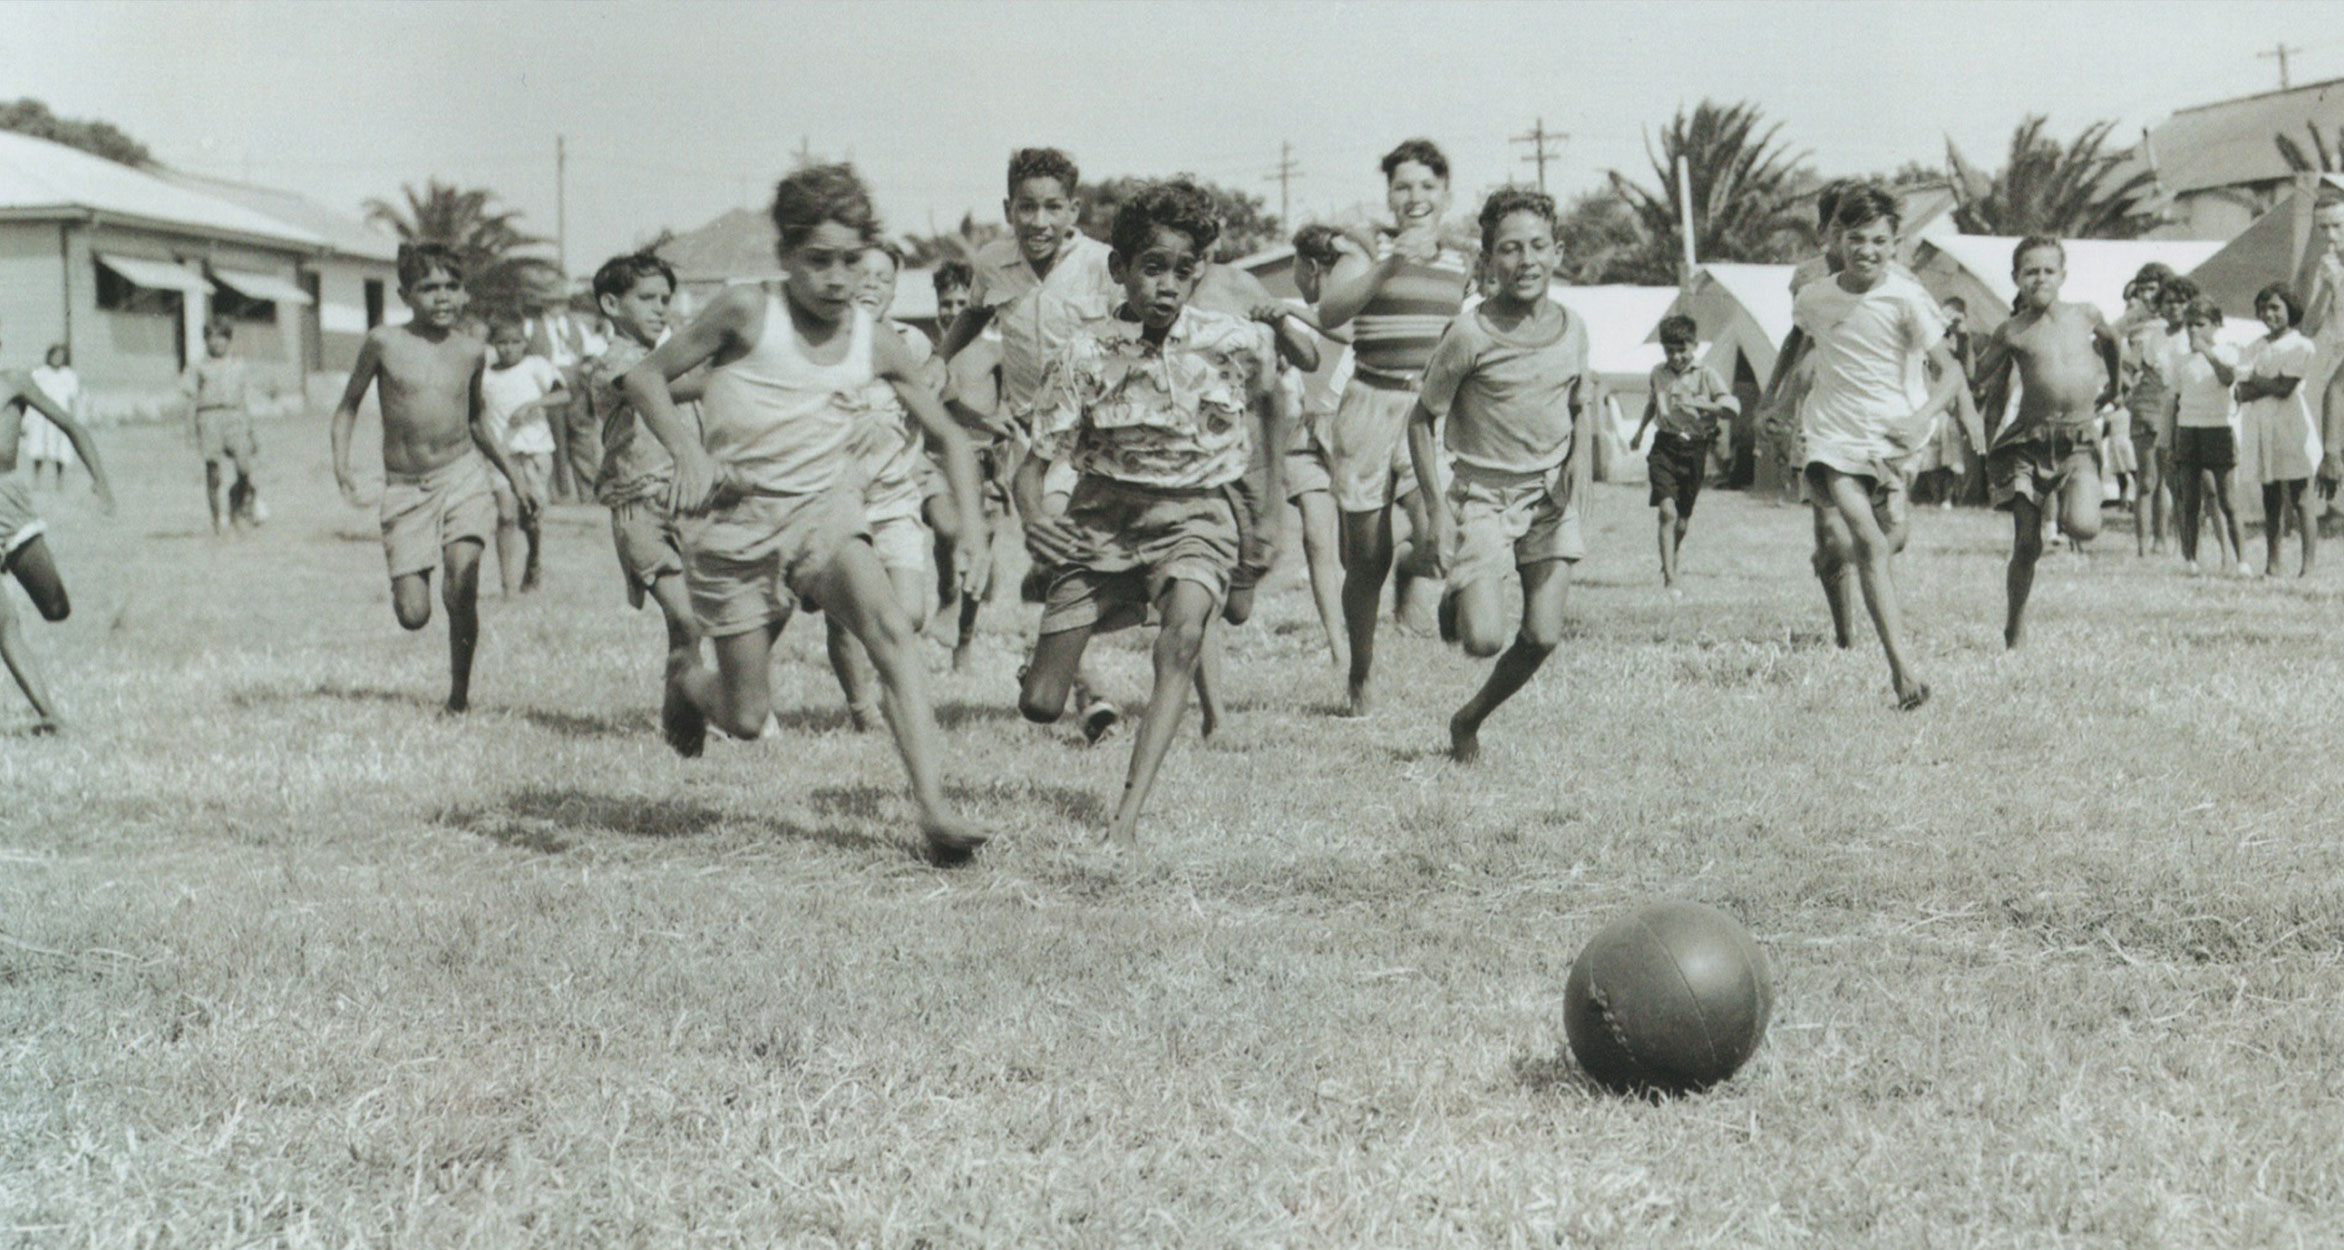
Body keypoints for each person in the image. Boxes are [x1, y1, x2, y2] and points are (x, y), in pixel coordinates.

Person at [621, 162, 987, 862]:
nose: (838, 278)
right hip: (735, 523)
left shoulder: (874, 341)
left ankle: (935, 809)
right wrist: (688, 454)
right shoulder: (746, 311)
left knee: (891, 633)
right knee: (750, 715)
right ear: (785, 255)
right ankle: (689, 685)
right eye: (817, 261)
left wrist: (970, 530)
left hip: (824, 515)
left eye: (851, 260)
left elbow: (947, 435)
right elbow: (644, 377)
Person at [1014, 179, 1276, 847]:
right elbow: (1032, 466)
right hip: (1102, 519)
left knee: (1183, 639)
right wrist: (1031, 516)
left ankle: (1125, 820)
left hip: (1196, 517)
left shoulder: (1231, 341)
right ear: (1120, 269)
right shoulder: (1082, 354)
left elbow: (1276, 405)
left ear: (1200, 274)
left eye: (1183, 271)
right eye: (1152, 268)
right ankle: (1076, 641)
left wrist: (1267, 506)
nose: (1166, 285)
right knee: (1041, 704)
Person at [934, 146, 1125, 738]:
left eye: (1051, 208)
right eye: (1026, 208)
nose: (1038, 221)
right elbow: (970, 317)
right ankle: (1090, 693)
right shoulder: (993, 263)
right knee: (1057, 551)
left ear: (1074, 209)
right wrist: (939, 364)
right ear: (1008, 209)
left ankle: (1044, 666)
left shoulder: (1102, 265)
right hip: (1030, 439)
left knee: (1082, 566)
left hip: (1098, 436)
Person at [1405, 188, 1589, 763]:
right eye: (1509, 249)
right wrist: (1437, 510)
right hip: (1482, 498)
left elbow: (1581, 404)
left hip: (1549, 498)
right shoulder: (1470, 333)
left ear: (1558, 252)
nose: (1526, 261)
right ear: (1488, 261)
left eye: (1538, 246)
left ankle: (1468, 719)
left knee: (1542, 637)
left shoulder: (1574, 327)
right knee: (1483, 640)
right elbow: (1420, 419)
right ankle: (1459, 598)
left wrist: (1578, 473)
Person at [1773, 184, 1964, 709]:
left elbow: (1950, 372)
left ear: (1897, 244)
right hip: (1832, 437)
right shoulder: (1813, 296)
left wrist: (1921, 416)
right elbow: (1800, 344)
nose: (1868, 252)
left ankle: (1894, 506)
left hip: (1893, 440)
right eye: (1857, 239)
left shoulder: (1906, 298)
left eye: (1880, 242)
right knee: (1871, 547)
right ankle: (1904, 673)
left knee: (1891, 538)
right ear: (1838, 238)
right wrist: (1774, 401)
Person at [331, 243, 540, 714]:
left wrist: (514, 477)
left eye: (451, 286)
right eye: (428, 288)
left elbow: (477, 423)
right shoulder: (383, 343)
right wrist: (342, 467)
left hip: (463, 477)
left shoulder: (471, 352)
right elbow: (347, 408)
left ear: (464, 293)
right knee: (414, 614)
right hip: (405, 487)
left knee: (462, 585)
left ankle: (458, 697)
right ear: (406, 294)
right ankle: (409, 588)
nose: (442, 297)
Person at [1315, 138, 1474, 716]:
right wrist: (1391, 263)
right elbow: (1331, 312)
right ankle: (1360, 672)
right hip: (1368, 410)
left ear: (1446, 195)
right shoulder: (1364, 246)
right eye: (1403, 186)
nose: (1415, 198)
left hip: (1427, 416)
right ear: (1388, 194)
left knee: (1441, 536)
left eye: (1427, 187)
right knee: (1365, 563)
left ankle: (1418, 573)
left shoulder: (1463, 258)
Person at [1969, 237, 2121, 648]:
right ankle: (2014, 626)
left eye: (2048, 270)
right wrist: (1960, 348)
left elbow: (2112, 342)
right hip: (2028, 442)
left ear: (2063, 275)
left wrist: (2116, 388)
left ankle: (2071, 521)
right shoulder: (2012, 331)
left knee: (2084, 527)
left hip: (2078, 441)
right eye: (2030, 271)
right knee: (2026, 542)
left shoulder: (2086, 315)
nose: (2039, 278)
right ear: (2016, 278)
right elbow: (1978, 377)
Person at [1184, 257, 1311, 736]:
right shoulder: (1158, 296)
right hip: (1193, 462)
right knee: (1197, 589)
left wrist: (1276, 497)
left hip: (1250, 453)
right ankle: (1215, 717)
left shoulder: (1241, 286)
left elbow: (1282, 386)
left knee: (1238, 605)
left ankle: (1241, 577)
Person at [825, 242, 950, 731]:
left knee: (910, 613)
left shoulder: (913, 345)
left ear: (896, 288)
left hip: (896, 499)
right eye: (864, 275)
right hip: (838, 503)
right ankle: (862, 709)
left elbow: (938, 405)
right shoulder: (823, 345)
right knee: (843, 619)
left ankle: (878, 651)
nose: (873, 286)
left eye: (884, 278)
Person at [584, 250, 699, 659]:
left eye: (665, 300)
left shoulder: (669, 358)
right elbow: (654, 386)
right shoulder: (614, 362)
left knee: (690, 625)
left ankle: (684, 719)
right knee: (686, 618)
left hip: (690, 499)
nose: (660, 309)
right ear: (611, 305)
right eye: (647, 298)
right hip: (639, 507)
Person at [1, 324, 115, 733]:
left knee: (55, 609)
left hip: (10, 504)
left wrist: (101, 481)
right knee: (4, 623)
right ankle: (50, 715)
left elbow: (73, 426)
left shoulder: (14, 382)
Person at [925, 259, 1006, 670]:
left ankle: (965, 643)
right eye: (945, 301)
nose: (952, 309)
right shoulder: (928, 354)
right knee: (945, 532)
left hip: (983, 463)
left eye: (961, 301)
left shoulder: (994, 351)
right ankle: (945, 594)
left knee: (977, 558)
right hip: (939, 460)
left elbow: (1009, 407)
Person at [1282, 223, 1354, 667]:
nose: (1293, 277)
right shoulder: (1290, 311)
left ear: (1311, 267)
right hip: (1307, 431)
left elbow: (1345, 332)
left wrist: (1286, 315)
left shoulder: (1358, 305)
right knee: (1316, 540)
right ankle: (1338, 648)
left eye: (1295, 266)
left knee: (1357, 548)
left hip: (1354, 430)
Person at [1628, 313, 1737, 591]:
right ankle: (1670, 579)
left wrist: (1702, 405)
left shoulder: (1707, 375)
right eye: (1669, 350)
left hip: (1695, 448)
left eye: (1681, 350)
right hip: (1664, 445)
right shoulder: (1657, 373)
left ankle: (1671, 558)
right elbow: (1653, 403)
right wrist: (1640, 432)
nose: (1675, 356)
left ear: (1694, 345)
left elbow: (1731, 408)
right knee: (1667, 512)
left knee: (1682, 520)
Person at [480, 315, 569, 594]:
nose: (508, 348)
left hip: (536, 451)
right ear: (492, 345)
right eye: (501, 343)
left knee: (531, 516)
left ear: (524, 343)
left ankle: (533, 560)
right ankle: (508, 586)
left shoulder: (536, 367)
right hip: (502, 456)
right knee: (506, 516)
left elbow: (564, 395)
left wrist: (534, 404)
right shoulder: (485, 375)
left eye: (514, 342)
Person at [2237, 282, 2321, 576]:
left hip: (2290, 427)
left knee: (2300, 497)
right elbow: (2242, 392)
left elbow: (2286, 389)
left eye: (2275, 307)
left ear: (2290, 309)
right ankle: (2273, 565)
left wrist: (2258, 380)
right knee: (2270, 497)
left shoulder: (2301, 345)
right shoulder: (2255, 346)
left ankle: (2307, 567)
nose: (2268, 313)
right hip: (2261, 427)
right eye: (2263, 307)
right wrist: (2268, 383)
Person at [2169, 296, 2246, 575]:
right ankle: (2191, 560)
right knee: (2190, 500)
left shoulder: (2227, 351)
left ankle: (2242, 561)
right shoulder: (2180, 361)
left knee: (2227, 500)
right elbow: (2176, 401)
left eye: (2199, 324)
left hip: (2217, 429)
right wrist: (2172, 439)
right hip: (2189, 430)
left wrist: (2207, 353)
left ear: (2215, 325)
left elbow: (2227, 378)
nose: (2192, 331)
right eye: (2188, 325)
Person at [2117, 266, 2185, 556]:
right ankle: (2144, 544)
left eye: (2153, 287)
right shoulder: (2136, 324)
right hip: (2145, 403)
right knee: (2147, 480)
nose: (2147, 294)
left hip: (2174, 404)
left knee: (2169, 480)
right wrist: (2124, 386)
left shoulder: (2181, 325)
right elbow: (2113, 350)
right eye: (2142, 288)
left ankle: (2165, 539)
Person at [182, 318, 263, 534]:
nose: (217, 343)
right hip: (209, 418)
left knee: (244, 467)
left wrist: (252, 432)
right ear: (206, 340)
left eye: (222, 337)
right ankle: (217, 519)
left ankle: (237, 504)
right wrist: (190, 431)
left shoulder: (238, 365)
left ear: (229, 340)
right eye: (212, 338)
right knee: (213, 472)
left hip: (235, 417)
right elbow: (191, 399)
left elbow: (243, 400)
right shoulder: (198, 366)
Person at [24, 344, 81, 490]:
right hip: (42, 415)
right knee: (39, 448)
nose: (57, 359)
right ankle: (36, 480)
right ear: (49, 356)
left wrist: (72, 418)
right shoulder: (40, 373)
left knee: (60, 450)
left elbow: (73, 398)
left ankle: (59, 482)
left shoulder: (69, 375)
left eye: (61, 356)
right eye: (55, 355)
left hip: (61, 415)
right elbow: (31, 393)